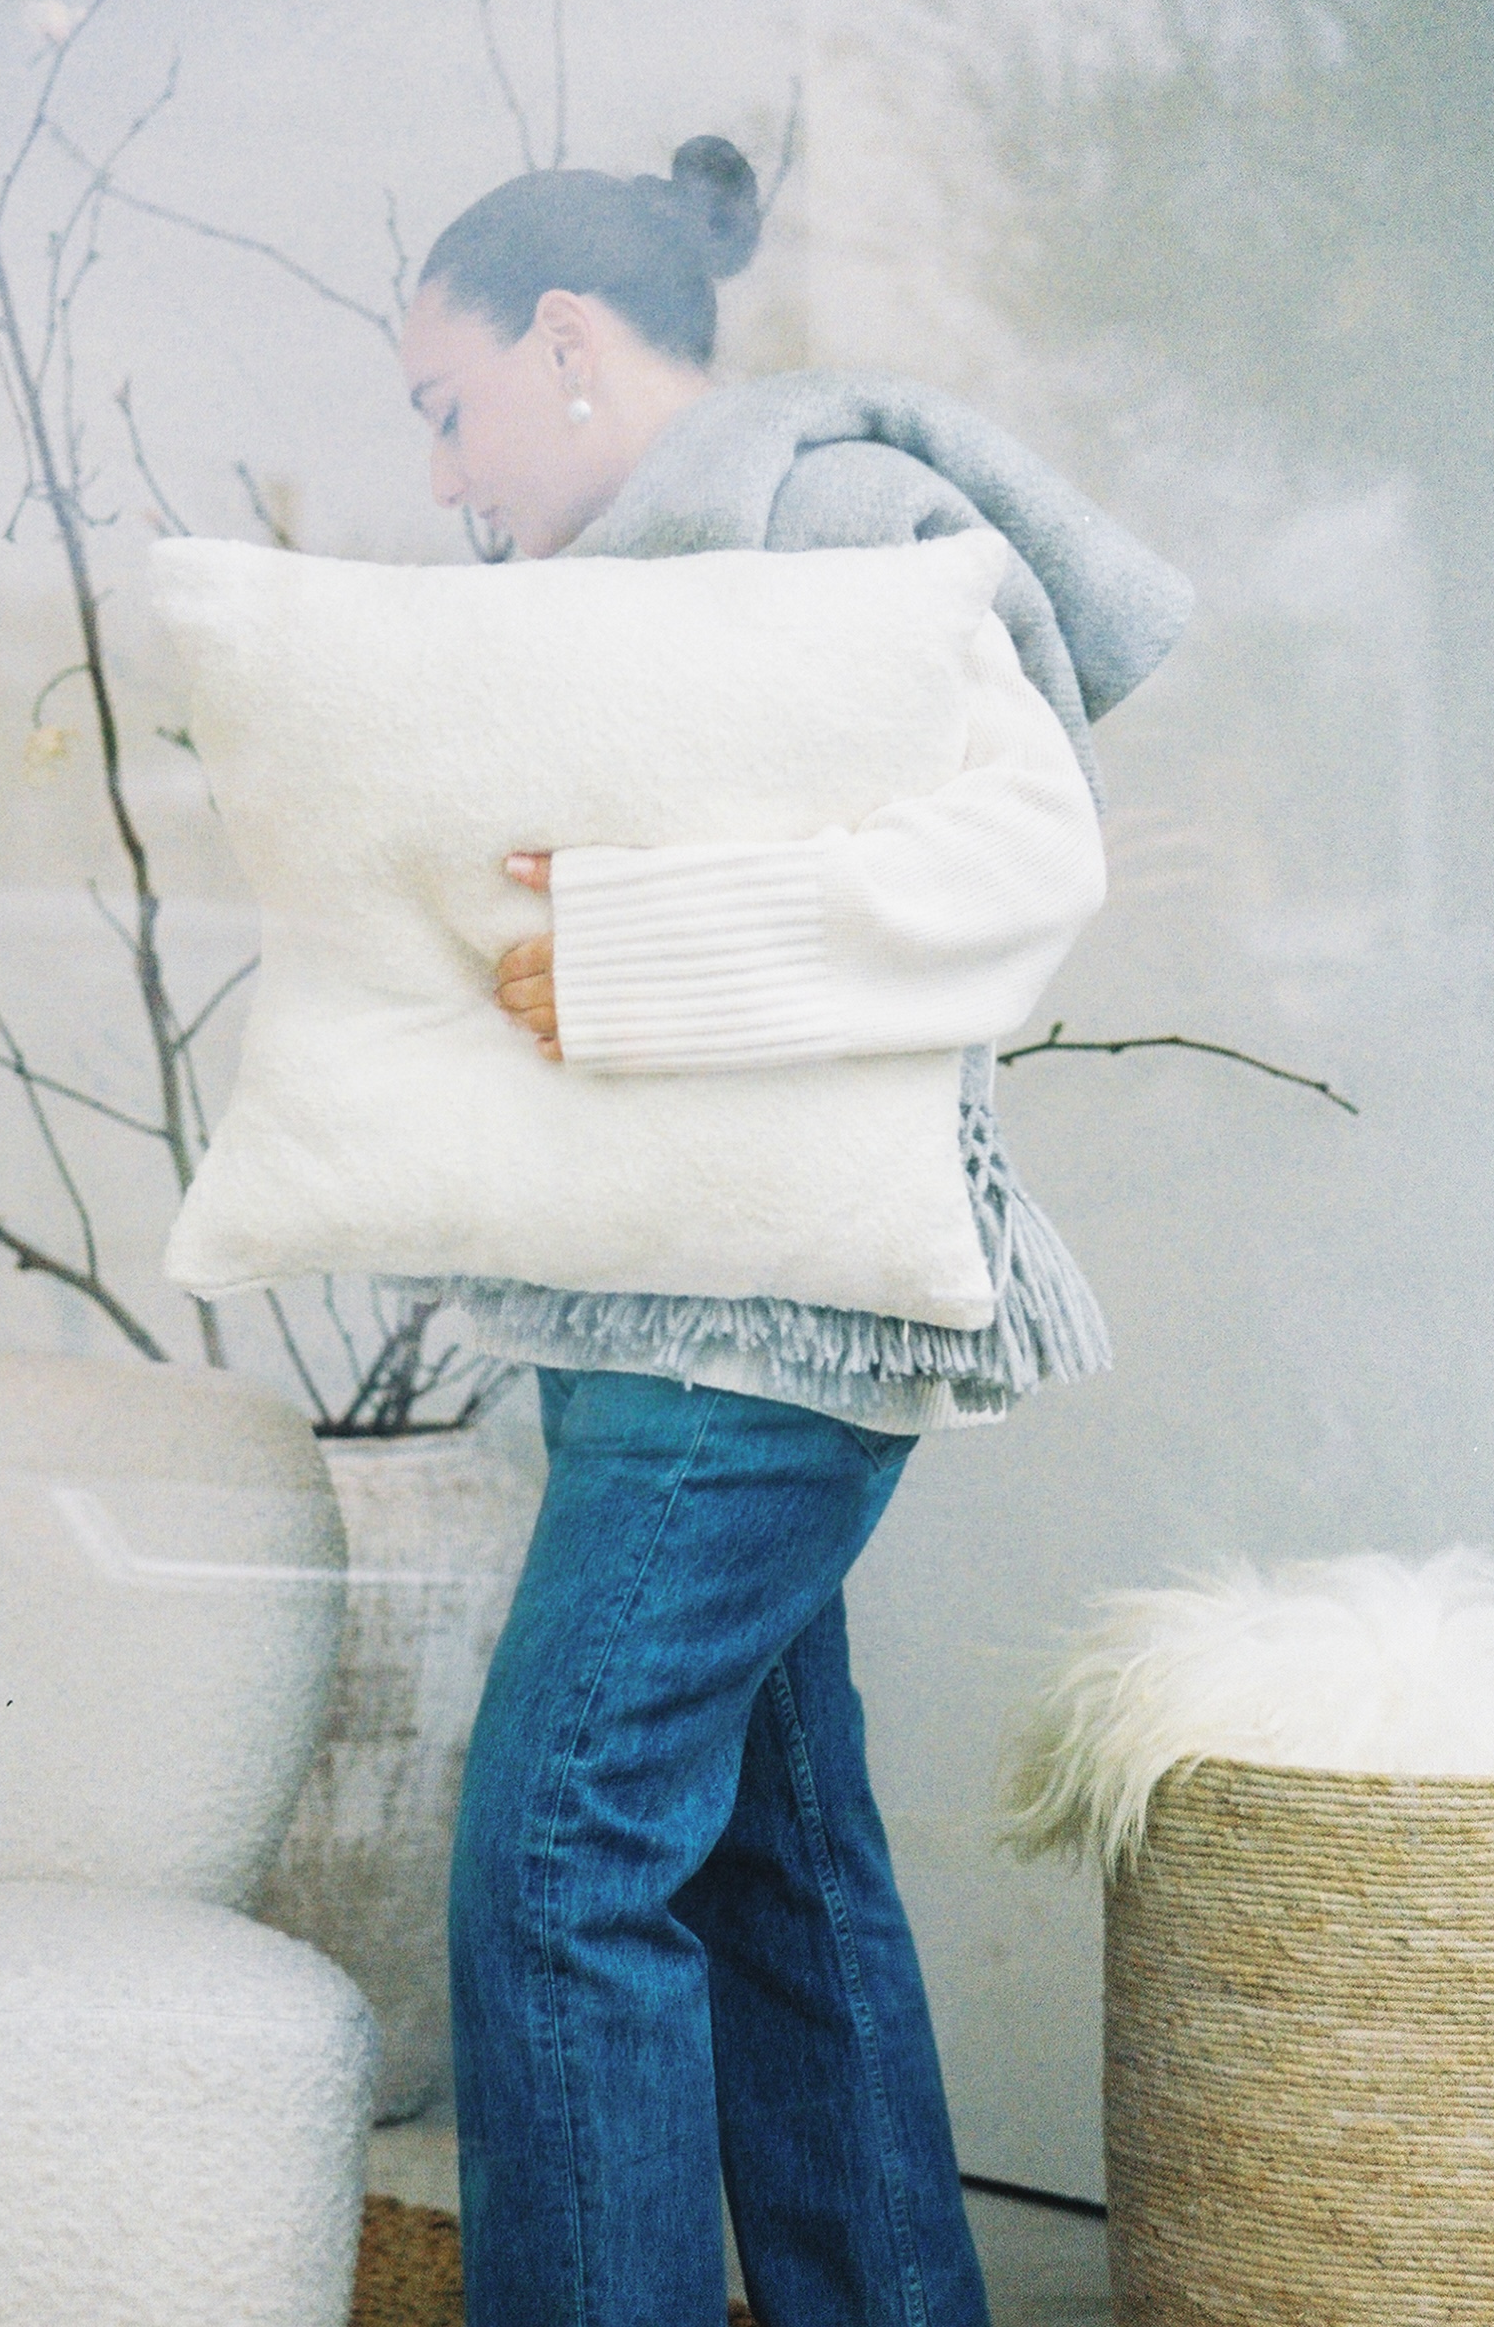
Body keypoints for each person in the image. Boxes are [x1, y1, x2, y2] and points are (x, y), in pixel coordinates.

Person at [394, 135, 1189, 2327]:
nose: (444, 474)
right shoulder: (622, 583)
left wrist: (633, 953)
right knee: (777, 1867)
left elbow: (1026, 859)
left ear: (567, 343)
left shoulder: (829, 516)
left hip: (756, 1333)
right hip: (657, 1307)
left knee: (558, 1860)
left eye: (449, 406)